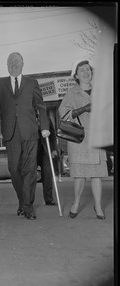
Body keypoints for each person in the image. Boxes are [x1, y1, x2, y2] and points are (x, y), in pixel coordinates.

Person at [0, 52, 50, 220]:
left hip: (30, 132)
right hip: (11, 133)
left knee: (30, 169)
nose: (13, 64)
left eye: (16, 62)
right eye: (10, 62)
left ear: (22, 64)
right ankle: (22, 200)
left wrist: (44, 127)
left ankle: (28, 206)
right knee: (14, 169)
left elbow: (41, 106)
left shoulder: (32, 83)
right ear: (6, 65)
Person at [58, 59, 108, 220]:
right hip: (79, 138)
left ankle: (98, 206)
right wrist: (83, 109)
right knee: (79, 175)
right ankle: (76, 202)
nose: (86, 72)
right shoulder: (72, 93)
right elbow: (63, 113)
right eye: (82, 70)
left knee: (97, 174)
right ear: (76, 75)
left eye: (88, 69)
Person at [37, 117, 57, 206]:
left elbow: (53, 136)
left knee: (48, 175)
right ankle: (27, 200)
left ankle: (48, 199)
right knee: (29, 176)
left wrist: (54, 149)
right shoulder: (27, 117)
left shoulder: (47, 119)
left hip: (46, 150)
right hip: (33, 151)